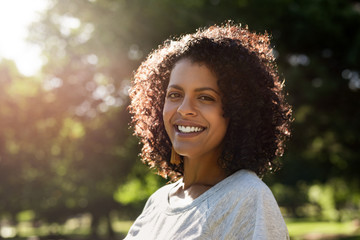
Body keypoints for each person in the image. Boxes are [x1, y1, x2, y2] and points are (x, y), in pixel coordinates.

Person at [125, 22, 292, 240]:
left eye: (205, 97)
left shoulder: (248, 196)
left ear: (238, 110)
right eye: (175, 94)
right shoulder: (158, 202)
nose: (184, 109)